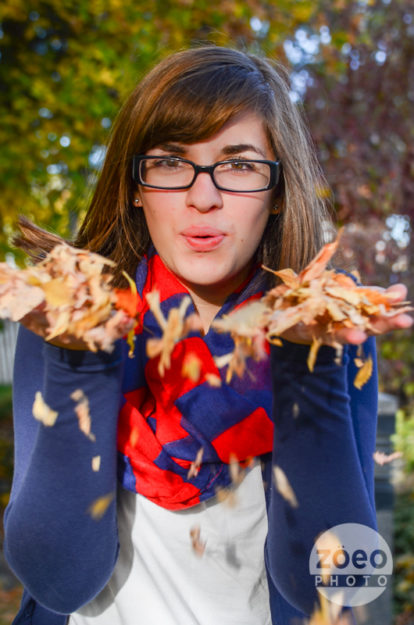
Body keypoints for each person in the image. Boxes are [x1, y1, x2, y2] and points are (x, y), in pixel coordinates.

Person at [3, 46, 412, 625]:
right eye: (171, 161)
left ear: (275, 192)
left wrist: (305, 363)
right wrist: (80, 361)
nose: (203, 196)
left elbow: (341, 585)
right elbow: (56, 579)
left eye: (239, 164)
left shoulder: (326, 324)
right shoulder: (71, 317)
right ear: (135, 186)